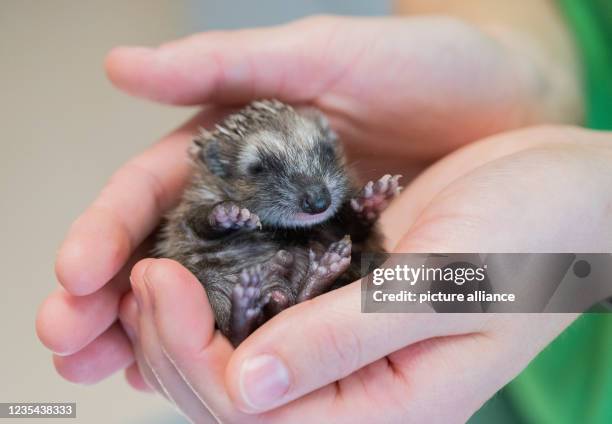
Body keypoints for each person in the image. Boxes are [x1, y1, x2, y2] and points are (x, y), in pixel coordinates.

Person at [36, 1, 612, 422]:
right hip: (505, 381)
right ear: (217, 166)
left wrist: (572, 267)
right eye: (263, 171)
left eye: (321, 159)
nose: (313, 194)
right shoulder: (214, 199)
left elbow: (557, 278)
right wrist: (531, 75)